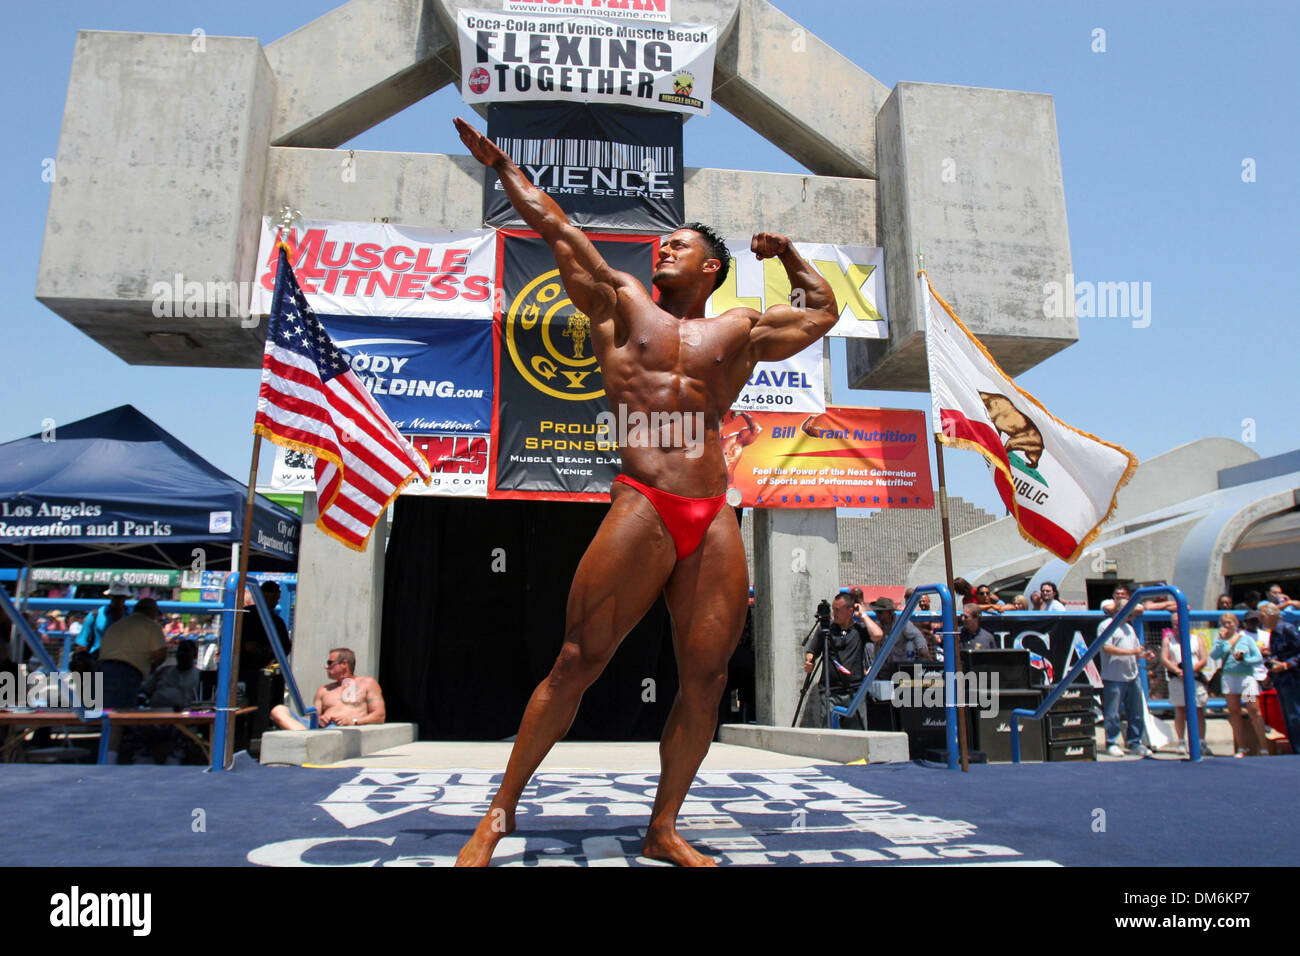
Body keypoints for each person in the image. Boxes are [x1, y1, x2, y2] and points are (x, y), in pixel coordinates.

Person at [453, 116, 839, 867]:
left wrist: (789, 251)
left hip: (713, 513)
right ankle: (497, 815)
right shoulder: (621, 301)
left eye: (680, 245)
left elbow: (823, 310)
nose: (662, 247)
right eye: (662, 242)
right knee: (576, 662)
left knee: (706, 677)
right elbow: (558, 229)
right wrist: (503, 171)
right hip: (644, 500)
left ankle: (663, 827)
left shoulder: (740, 328)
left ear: (710, 269)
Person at [804, 593, 881, 728]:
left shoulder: (859, 630)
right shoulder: (826, 629)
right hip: (830, 691)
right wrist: (809, 662)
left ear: (850, 610)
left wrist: (863, 614)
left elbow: (877, 635)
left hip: (855, 691)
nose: (834, 613)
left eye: (838, 610)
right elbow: (812, 651)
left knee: (857, 733)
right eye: (833, 609)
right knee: (828, 731)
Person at [1099, 592, 1156, 757]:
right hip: (1113, 678)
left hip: (1132, 676)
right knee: (1112, 713)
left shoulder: (1129, 628)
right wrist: (1132, 651)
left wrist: (1143, 655)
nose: (1131, 615)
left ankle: (1134, 742)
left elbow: (1136, 651)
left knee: (1136, 711)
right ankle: (1111, 742)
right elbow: (1107, 648)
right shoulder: (1106, 625)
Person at [270, 648, 385, 730]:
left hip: (344, 729)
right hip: (318, 729)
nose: (326, 666)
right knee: (278, 710)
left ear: (344, 664)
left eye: (330, 663)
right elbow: (311, 717)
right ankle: (305, 737)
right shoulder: (324, 689)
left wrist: (354, 721)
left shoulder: (367, 683)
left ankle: (305, 738)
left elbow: (379, 715)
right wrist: (320, 719)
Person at [1210, 611, 1270, 757]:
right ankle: (1241, 747)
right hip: (1230, 680)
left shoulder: (1246, 639)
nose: (1227, 626)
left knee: (1253, 710)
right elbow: (1214, 655)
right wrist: (1220, 640)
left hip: (1246, 680)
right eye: (1224, 624)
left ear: (1236, 624)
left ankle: (1264, 747)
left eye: (1229, 623)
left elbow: (1257, 658)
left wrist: (1244, 660)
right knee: (1234, 711)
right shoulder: (1222, 641)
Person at [97, 598, 167, 709]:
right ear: (152, 612)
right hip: (127, 672)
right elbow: (161, 654)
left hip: (103, 668)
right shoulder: (151, 626)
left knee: (102, 712)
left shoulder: (117, 624)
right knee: (122, 714)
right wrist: (151, 667)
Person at [1160, 611, 1210, 755]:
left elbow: (1203, 659)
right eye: (1174, 623)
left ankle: (1201, 741)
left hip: (1194, 678)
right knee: (1180, 710)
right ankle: (1181, 741)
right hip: (1177, 679)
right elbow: (1165, 659)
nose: (1177, 625)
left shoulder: (1196, 639)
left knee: (1198, 710)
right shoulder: (1168, 640)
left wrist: (1190, 671)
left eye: (1179, 622)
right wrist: (1178, 671)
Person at [1258, 602, 1300, 753]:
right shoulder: (1273, 633)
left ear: (1272, 615)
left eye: (1262, 616)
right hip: (1281, 680)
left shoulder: (1288, 629)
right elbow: (1278, 655)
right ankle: (1295, 748)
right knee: (1289, 716)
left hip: (1293, 678)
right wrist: (1271, 672)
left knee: (1295, 715)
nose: (1260, 620)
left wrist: (1286, 665)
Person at [75, 583, 131, 658]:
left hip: (124, 662)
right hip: (97, 660)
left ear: (125, 598)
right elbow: (82, 644)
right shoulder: (95, 615)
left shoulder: (132, 618)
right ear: (110, 596)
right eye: (115, 597)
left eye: (121, 597)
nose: (118, 600)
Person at [141, 639, 201, 709]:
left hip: (184, 713)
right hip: (156, 710)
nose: (182, 654)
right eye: (180, 651)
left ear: (194, 655)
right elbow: (145, 690)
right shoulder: (164, 671)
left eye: (186, 651)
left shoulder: (199, 676)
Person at [869, 597, 931, 663]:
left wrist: (923, 650)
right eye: (876, 612)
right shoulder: (876, 625)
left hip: (899, 664)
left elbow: (917, 636)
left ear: (890, 612)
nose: (878, 615)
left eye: (880, 612)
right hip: (881, 665)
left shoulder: (901, 623)